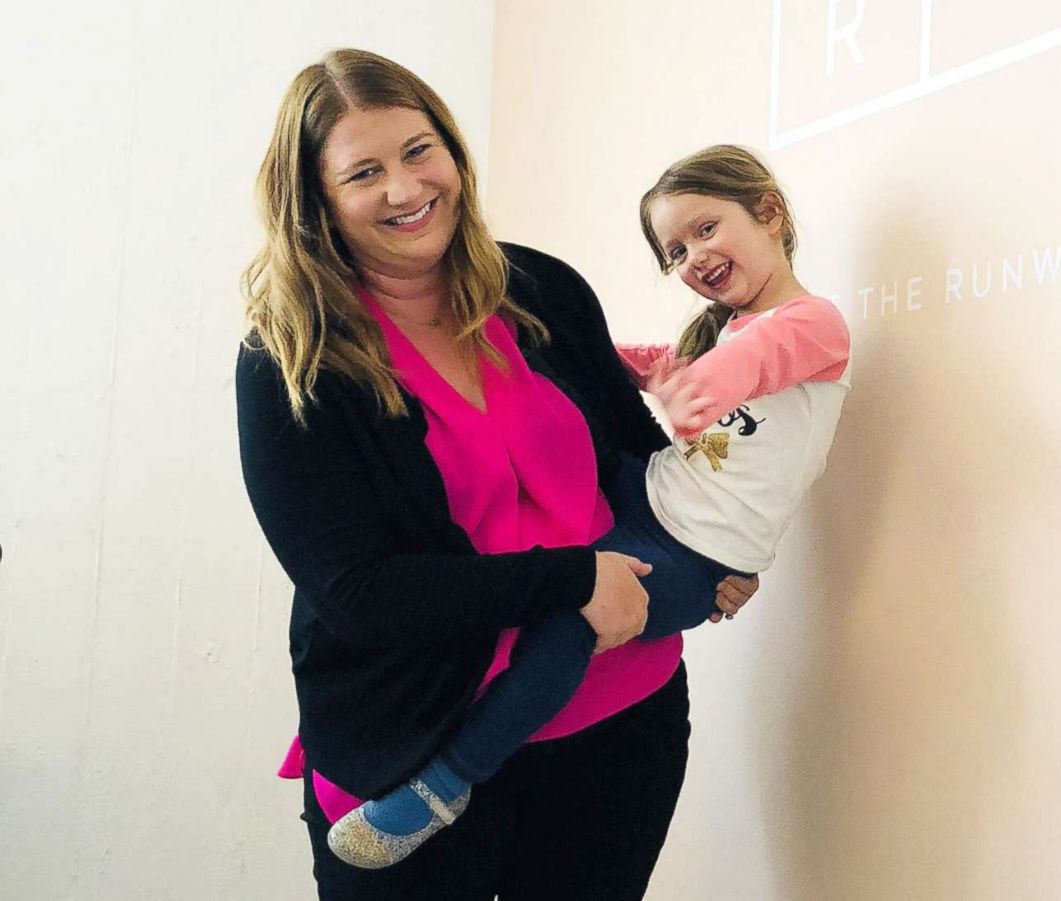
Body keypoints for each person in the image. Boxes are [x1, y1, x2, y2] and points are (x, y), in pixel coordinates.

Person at [235, 49, 758, 900]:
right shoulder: (290, 362)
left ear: (452, 151)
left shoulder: (542, 288)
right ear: (316, 201)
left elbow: (634, 458)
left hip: (618, 719)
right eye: (364, 172)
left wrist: (727, 539)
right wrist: (571, 576)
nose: (404, 189)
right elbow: (358, 589)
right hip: (416, 745)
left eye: (417, 151)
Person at [327, 145, 852, 869]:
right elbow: (645, 367)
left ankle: (442, 784)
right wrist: (562, 344)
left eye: (705, 229)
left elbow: (725, 379)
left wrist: (684, 395)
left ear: (769, 210)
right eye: (675, 250)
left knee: (574, 617)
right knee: (557, 487)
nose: (692, 256)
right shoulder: (729, 327)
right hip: (652, 494)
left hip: (692, 553)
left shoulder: (812, 323)